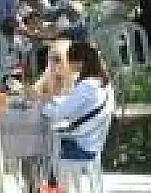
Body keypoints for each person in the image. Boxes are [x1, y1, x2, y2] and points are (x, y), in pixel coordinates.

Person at [42, 40, 114, 185]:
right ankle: (57, 187)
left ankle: (53, 189)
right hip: (92, 140)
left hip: (83, 143)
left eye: (70, 60)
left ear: (80, 62)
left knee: (45, 145)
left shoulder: (86, 86)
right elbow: (73, 104)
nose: (67, 64)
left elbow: (59, 113)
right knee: (52, 138)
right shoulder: (101, 83)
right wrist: (54, 100)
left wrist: (43, 106)